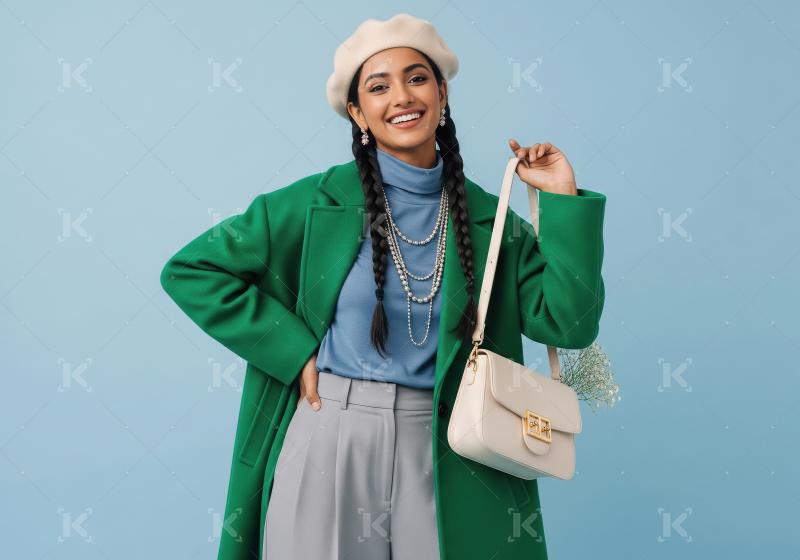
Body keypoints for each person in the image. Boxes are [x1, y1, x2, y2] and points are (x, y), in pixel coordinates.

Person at [161, 12, 607, 560]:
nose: (402, 97)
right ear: (357, 112)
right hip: (332, 435)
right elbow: (190, 270)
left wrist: (561, 199)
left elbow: (570, 323)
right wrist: (293, 351)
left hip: (451, 449)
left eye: (417, 78)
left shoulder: (493, 222)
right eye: (378, 87)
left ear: (442, 93)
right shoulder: (311, 203)